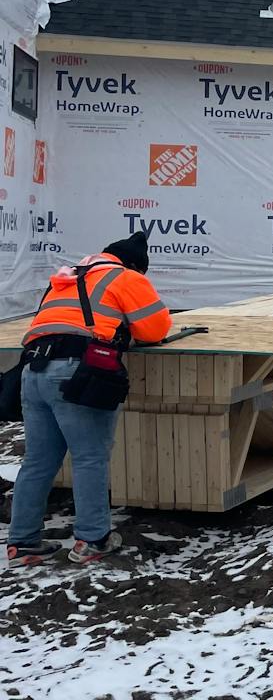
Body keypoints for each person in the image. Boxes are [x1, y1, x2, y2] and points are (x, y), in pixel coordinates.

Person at [6, 232, 171, 567]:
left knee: (38, 461)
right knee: (89, 458)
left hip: (33, 371)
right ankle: (93, 539)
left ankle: (22, 542)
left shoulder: (67, 278)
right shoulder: (125, 277)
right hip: (76, 371)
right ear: (135, 265)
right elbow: (156, 329)